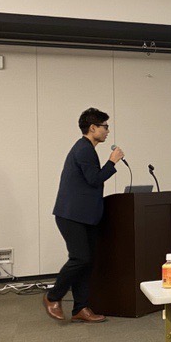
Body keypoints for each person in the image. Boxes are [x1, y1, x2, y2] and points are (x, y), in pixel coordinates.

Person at [43, 108, 124, 323]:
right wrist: (112, 162)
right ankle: (52, 296)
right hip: (72, 215)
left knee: (87, 262)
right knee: (80, 258)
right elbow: (94, 179)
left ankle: (80, 308)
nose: (108, 131)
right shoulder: (84, 149)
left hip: (85, 215)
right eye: (105, 126)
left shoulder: (87, 148)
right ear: (93, 128)